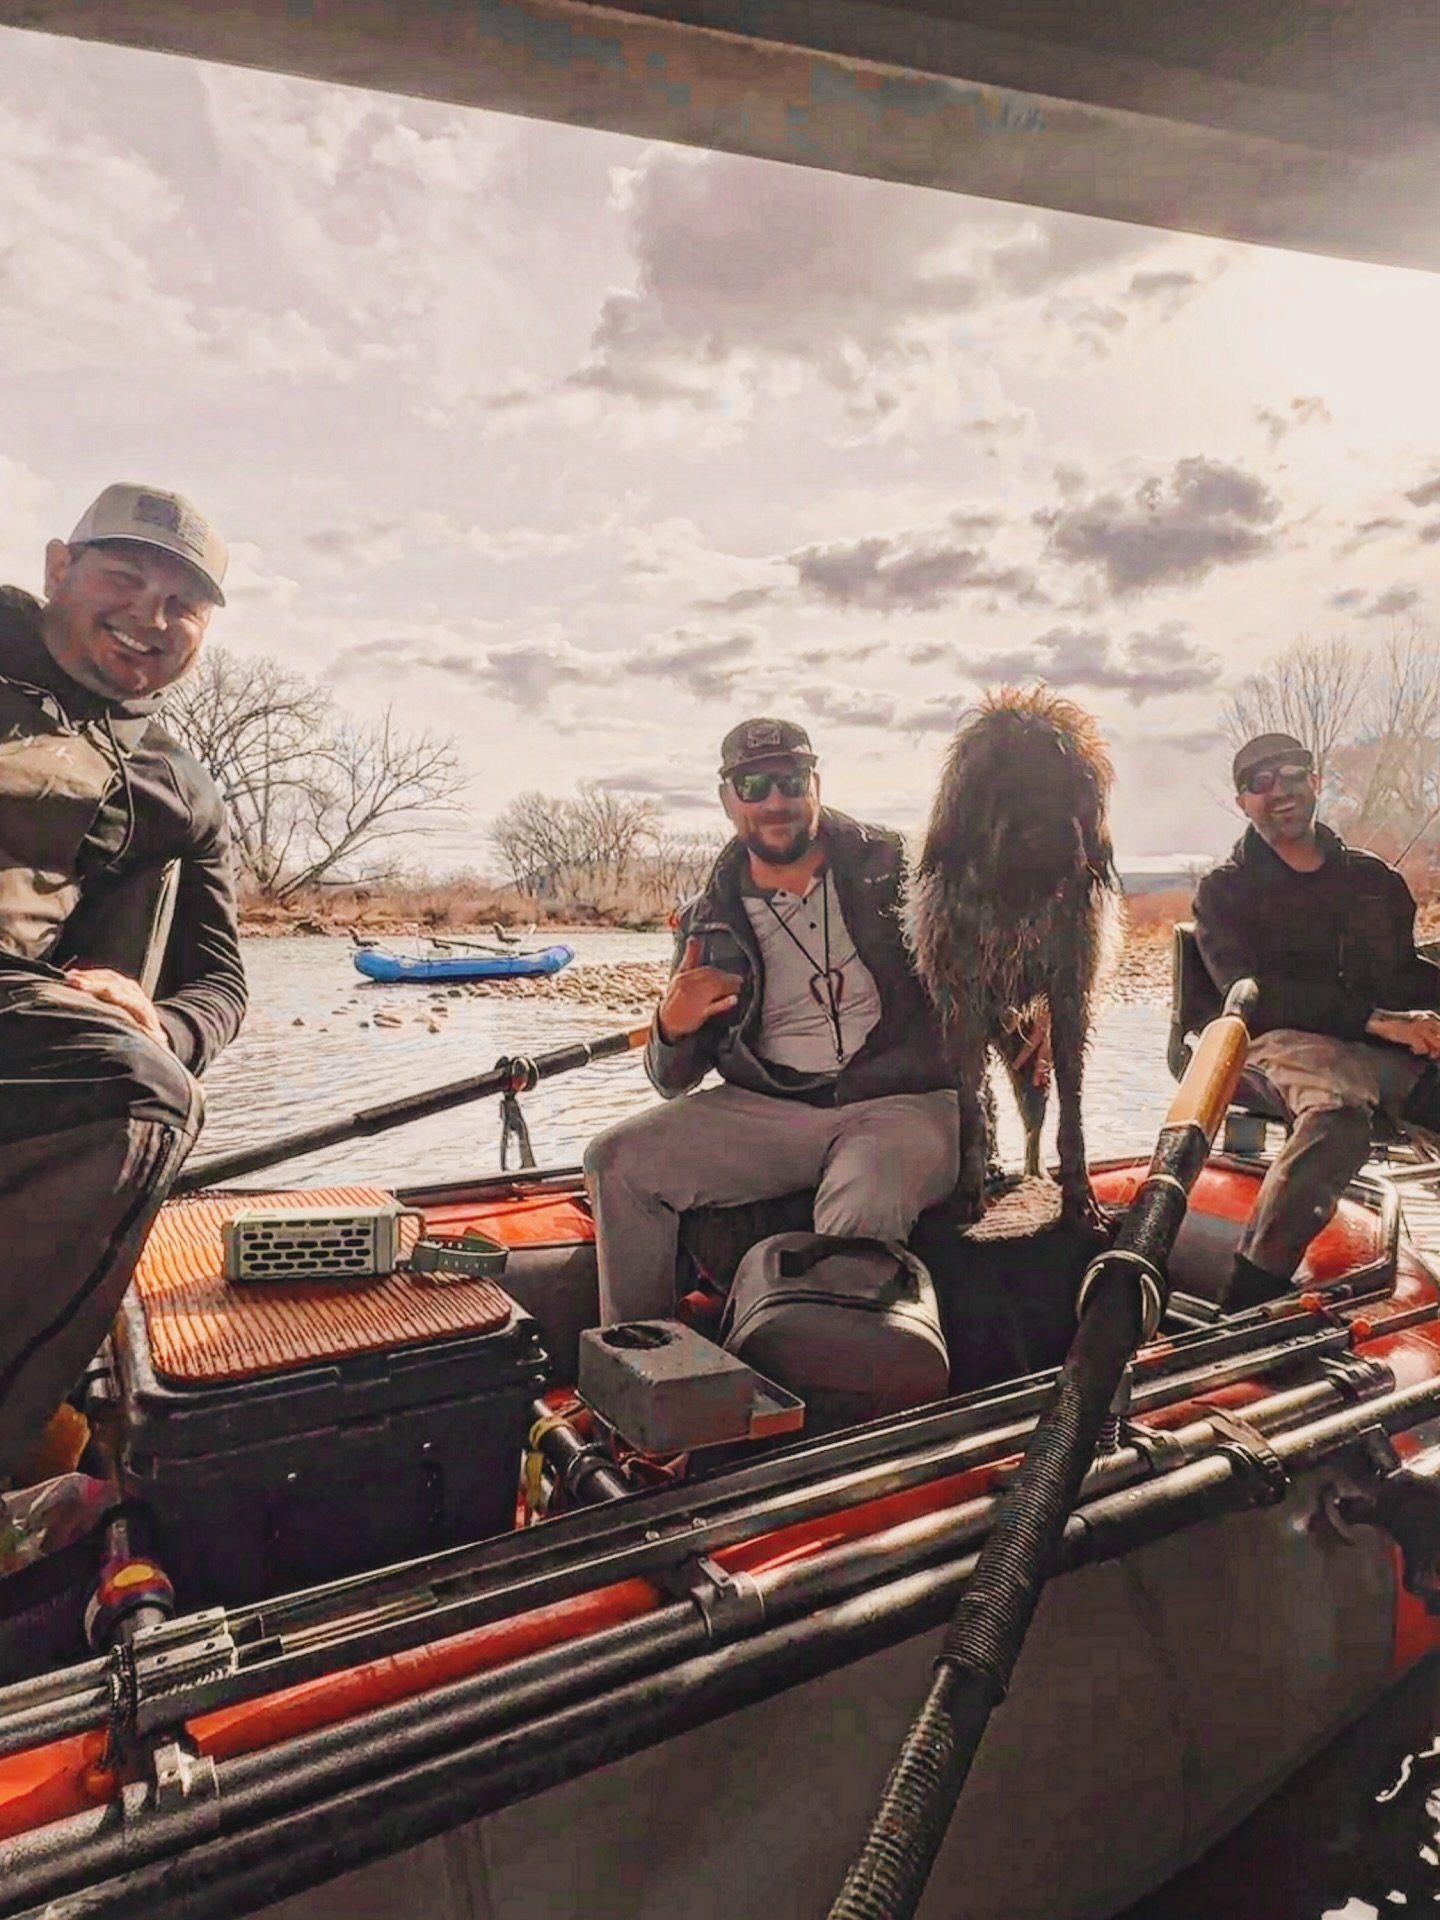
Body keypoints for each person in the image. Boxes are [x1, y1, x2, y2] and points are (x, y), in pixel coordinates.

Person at [0, 483, 247, 1479]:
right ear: (59, 569)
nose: (150, 615)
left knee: (150, 1090)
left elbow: (219, 984)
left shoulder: (178, 786)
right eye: (125, 577)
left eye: (182, 603)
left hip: (22, 1017)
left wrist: (158, 1022)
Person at [584, 718, 960, 1324]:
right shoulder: (706, 919)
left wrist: (1036, 1012)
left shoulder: (899, 866)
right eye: (754, 786)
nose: (775, 801)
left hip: (902, 1100)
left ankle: (841, 1370)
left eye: (790, 780)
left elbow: (993, 945)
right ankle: (642, 1354)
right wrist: (671, 1024)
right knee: (616, 1162)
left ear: (816, 783)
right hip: (771, 1108)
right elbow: (671, 1080)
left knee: (861, 1200)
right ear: (728, 799)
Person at [1193, 731, 1440, 1308]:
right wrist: (1380, 1022)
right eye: (1260, 782)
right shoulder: (1224, 892)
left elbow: (1404, 975)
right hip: (1276, 1039)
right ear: (1243, 801)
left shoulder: (1374, 880)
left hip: (1375, 1047)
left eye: (1292, 775)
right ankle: (1246, 1296)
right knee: (1339, 1117)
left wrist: (1419, 1020)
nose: (1280, 790)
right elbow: (1252, 994)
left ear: (1316, 781)